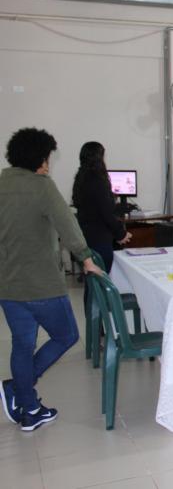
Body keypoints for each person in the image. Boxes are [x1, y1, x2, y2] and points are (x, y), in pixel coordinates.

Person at [0, 128, 105, 431]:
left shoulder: (2, 182)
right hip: (41, 282)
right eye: (47, 158)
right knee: (67, 336)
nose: (48, 164)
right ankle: (19, 392)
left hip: (8, 283)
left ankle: (29, 409)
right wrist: (86, 258)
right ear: (39, 158)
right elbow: (67, 226)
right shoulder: (42, 187)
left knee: (22, 344)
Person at [71, 142, 131, 272]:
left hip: (85, 238)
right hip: (100, 241)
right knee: (102, 283)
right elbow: (107, 214)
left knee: (93, 285)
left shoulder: (80, 179)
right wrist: (121, 234)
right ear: (98, 158)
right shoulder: (98, 180)